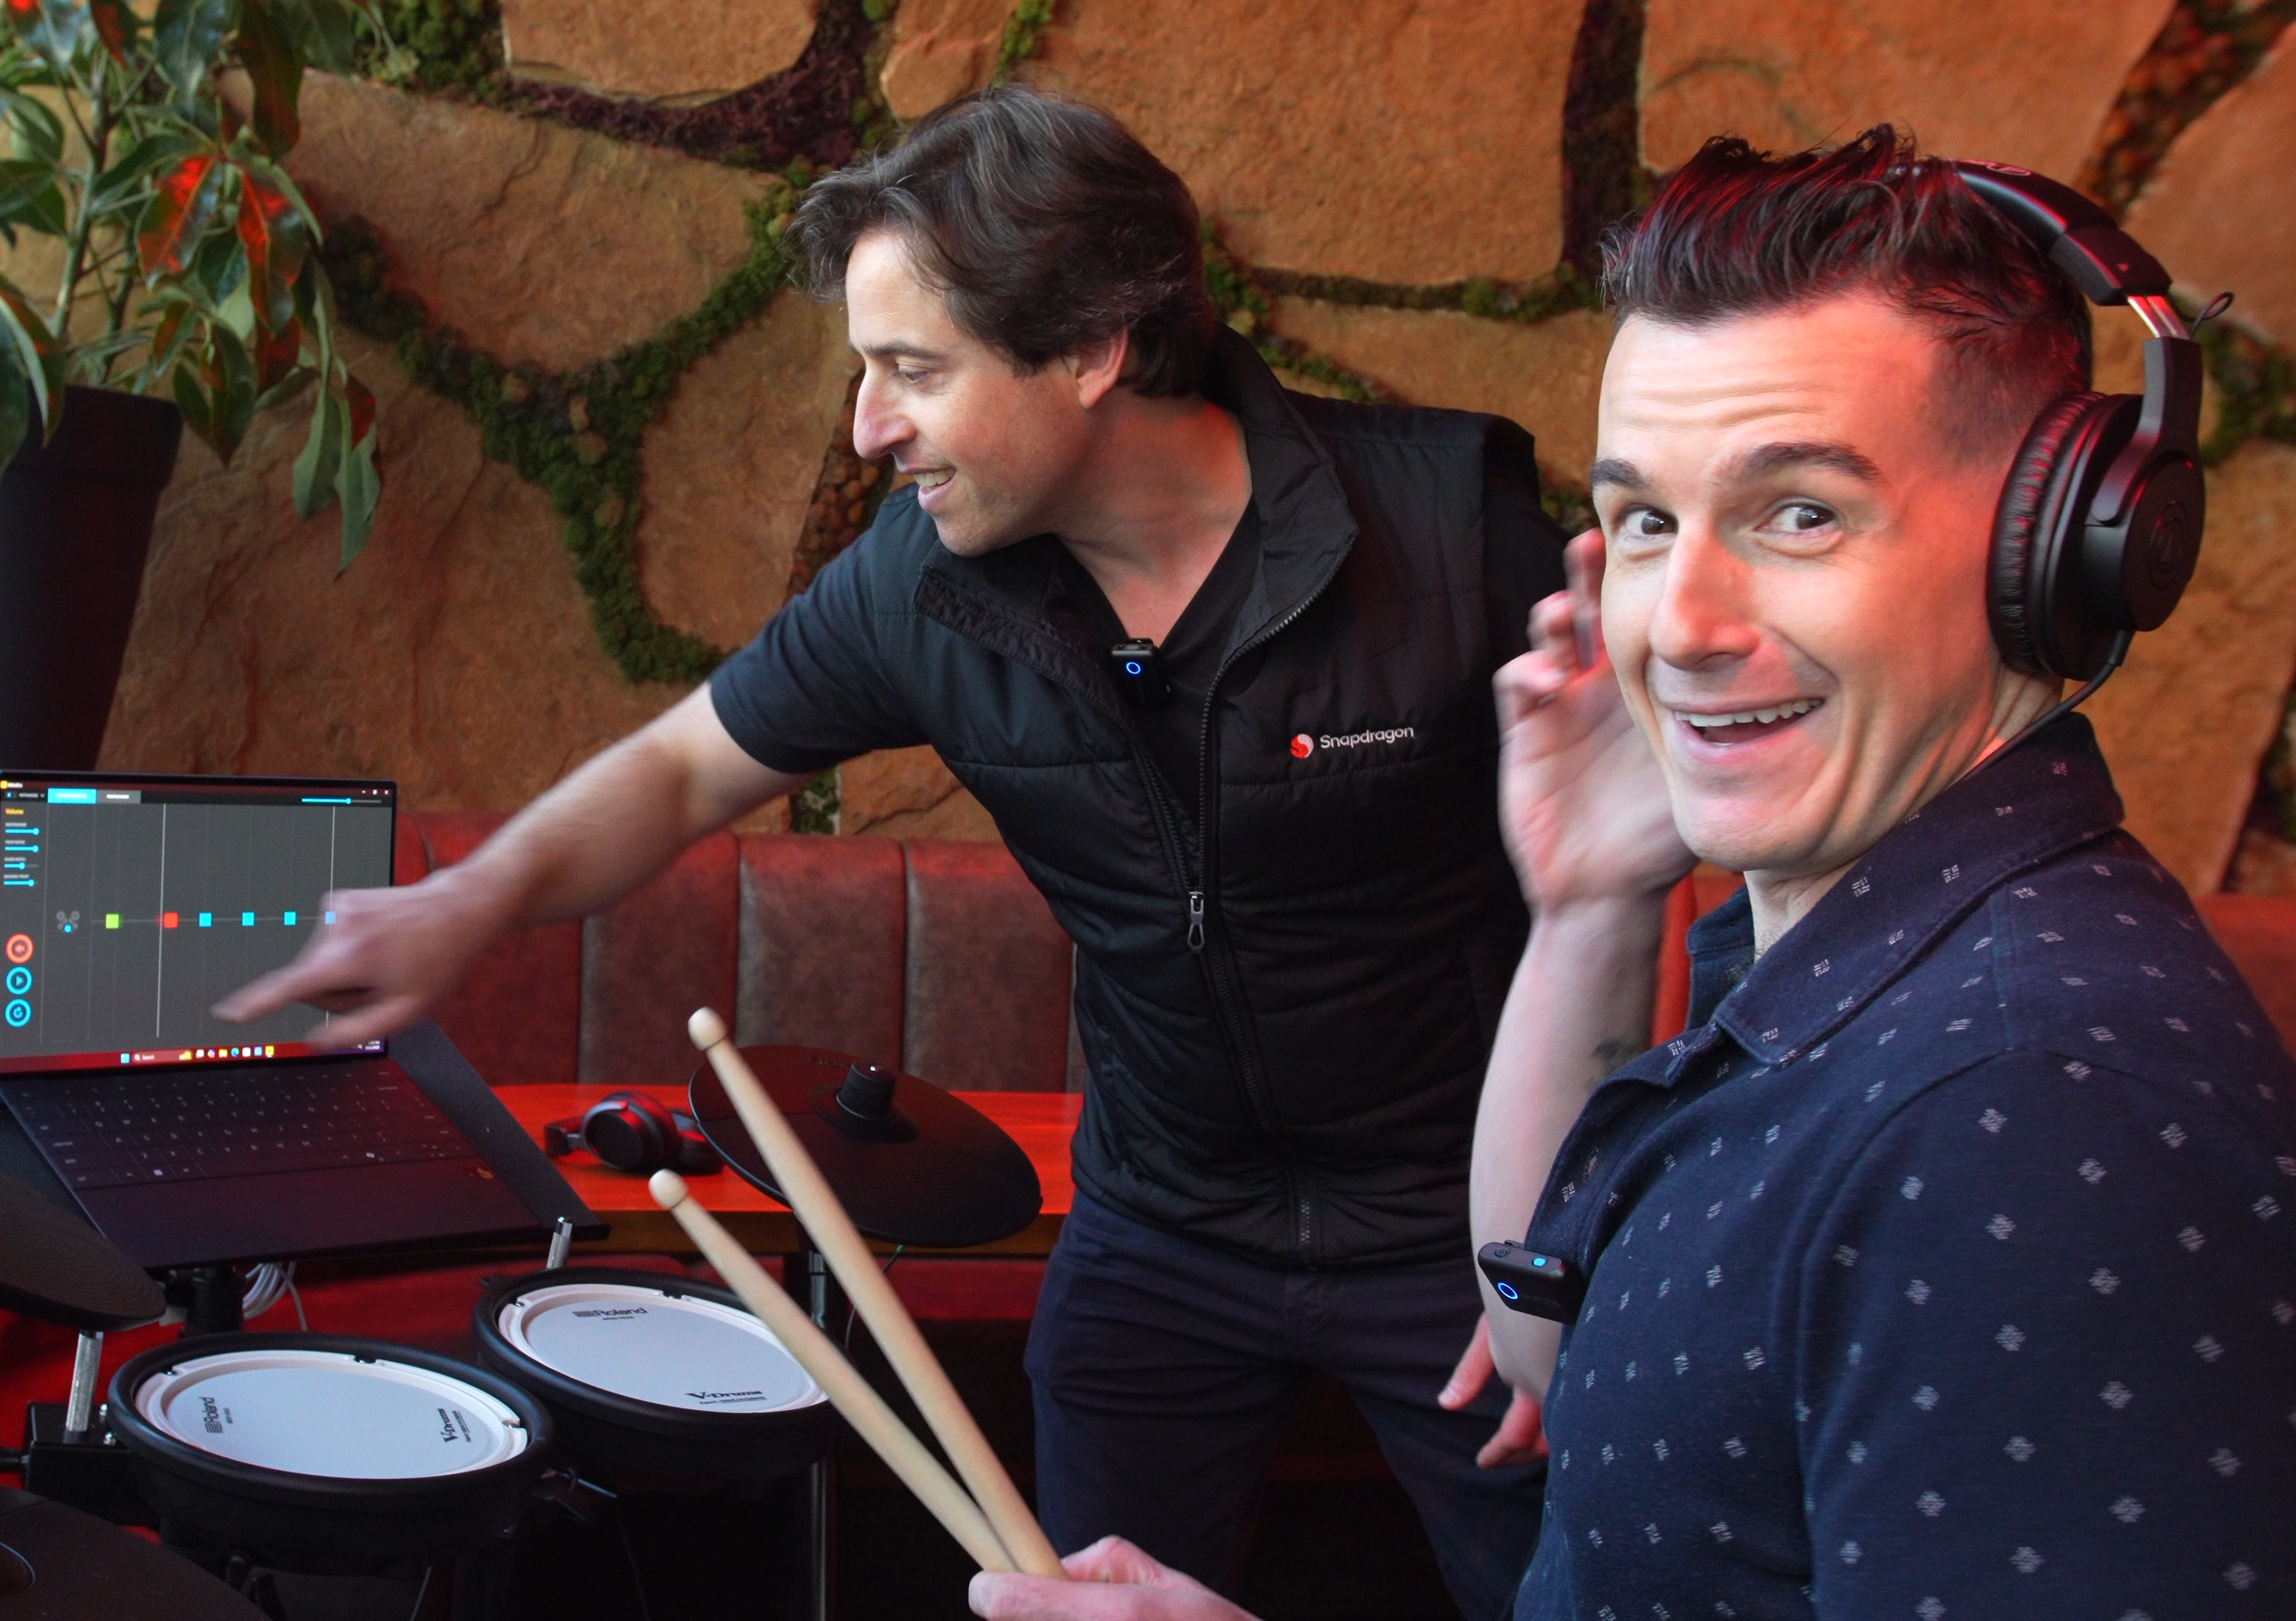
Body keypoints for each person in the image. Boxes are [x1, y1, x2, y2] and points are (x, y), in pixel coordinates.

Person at [219, 85, 1561, 1611]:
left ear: (1092, 349)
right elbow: (673, 772)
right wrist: (468, 902)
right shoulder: (920, 581)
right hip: (1163, 1229)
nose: (868, 427)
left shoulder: (1455, 535)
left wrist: (1562, 1241)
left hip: (1462, 1236)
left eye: (911, 368)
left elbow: (1653, 874)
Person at [969, 127, 2296, 1621]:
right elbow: (1562, 1354)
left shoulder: (2029, 1106)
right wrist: (1591, 903)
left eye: (1802, 511)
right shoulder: (1846, 948)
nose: (1684, 624)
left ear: (2056, 553)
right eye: (1651, 521)